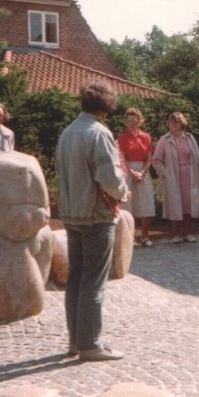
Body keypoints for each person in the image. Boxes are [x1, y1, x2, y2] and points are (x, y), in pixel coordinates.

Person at [55, 79, 129, 362]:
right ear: (106, 105)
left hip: (72, 214)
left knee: (76, 277)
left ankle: (76, 341)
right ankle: (90, 344)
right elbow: (109, 178)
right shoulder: (98, 133)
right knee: (93, 281)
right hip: (96, 215)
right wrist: (123, 191)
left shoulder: (67, 132)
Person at [153, 112, 199, 243]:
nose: (173, 125)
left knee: (188, 205)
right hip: (173, 176)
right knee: (175, 204)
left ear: (182, 123)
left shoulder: (189, 138)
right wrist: (165, 173)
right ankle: (176, 234)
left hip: (189, 174)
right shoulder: (164, 140)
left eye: (176, 122)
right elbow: (156, 160)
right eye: (171, 122)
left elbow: (197, 158)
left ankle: (187, 233)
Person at [117, 107, 156, 247]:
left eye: (134, 121)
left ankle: (145, 237)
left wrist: (142, 172)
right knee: (128, 205)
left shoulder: (146, 137)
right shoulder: (122, 137)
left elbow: (149, 158)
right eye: (129, 121)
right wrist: (132, 172)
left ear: (140, 121)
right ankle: (130, 238)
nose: (132, 123)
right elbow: (122, 157)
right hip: (127, 172)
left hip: (143, 171)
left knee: (146, 203)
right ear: (125, 122)